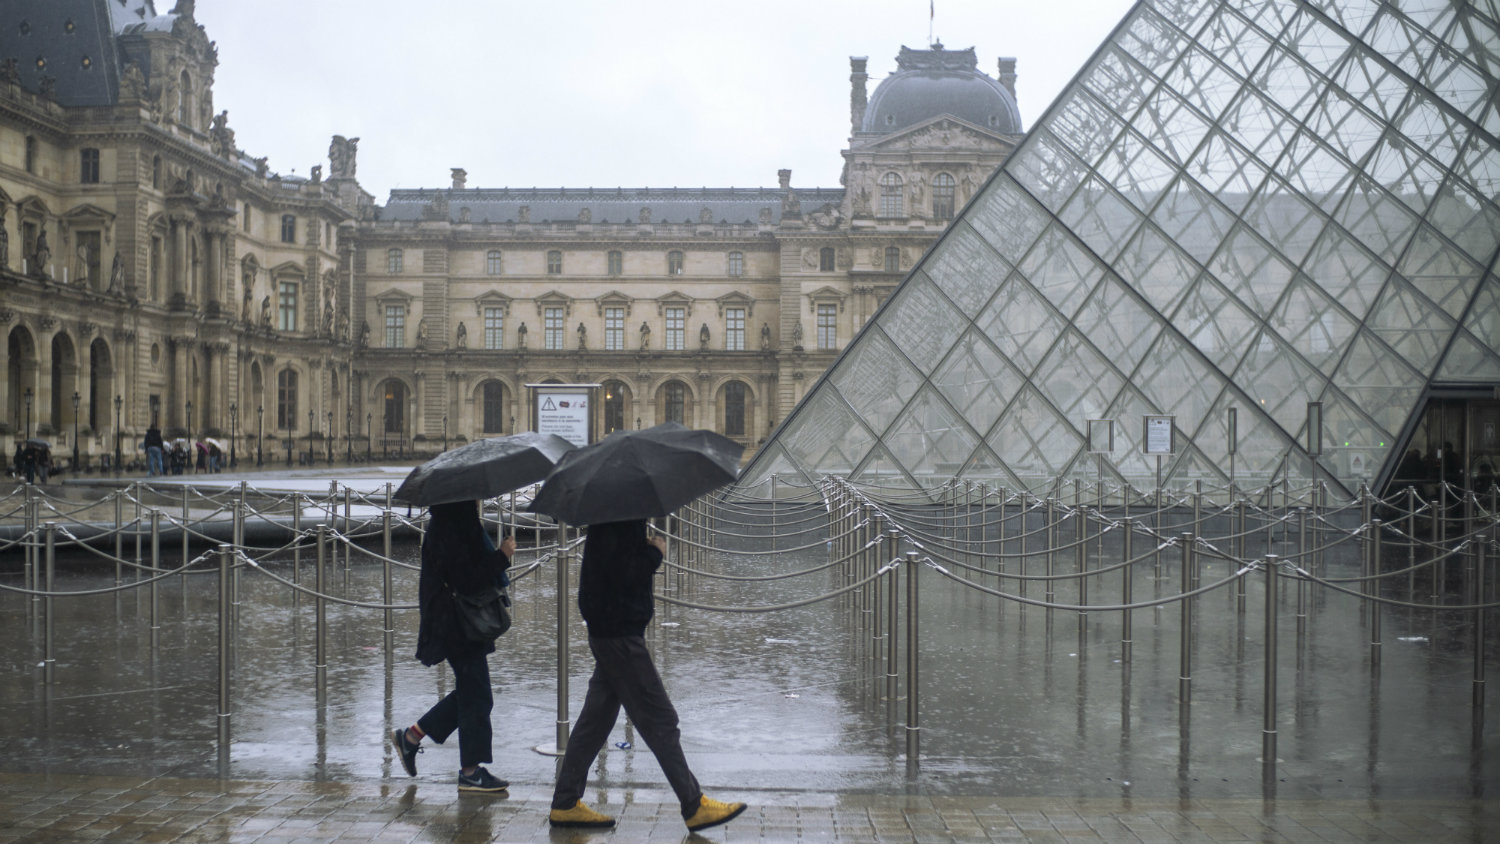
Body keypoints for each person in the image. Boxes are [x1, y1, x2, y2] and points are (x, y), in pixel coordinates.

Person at [548, 519, 746, 831]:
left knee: (595, 722)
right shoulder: (620, 516)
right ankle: (694, 805)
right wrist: (654, 553)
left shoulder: (615, 513)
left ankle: (565, 802)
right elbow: (622, 573)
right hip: (619, 633)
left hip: (611, 629)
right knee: (660, 719)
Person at [391, 500, 515, 793]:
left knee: (472, 692)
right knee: (478, 696)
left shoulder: (451, 520)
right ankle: (470, 773)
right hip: (457, 622)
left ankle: (411, 738)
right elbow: (466, 578)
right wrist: (501, 557)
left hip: (455, 620)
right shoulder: (453, 526)